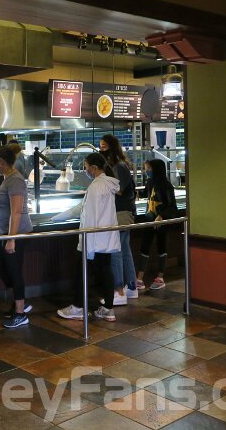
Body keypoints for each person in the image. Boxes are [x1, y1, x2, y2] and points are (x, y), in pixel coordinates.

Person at [53, 152, 120, 322]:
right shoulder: (107, 184)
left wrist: (87, 246)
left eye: (86, 167)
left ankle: (77, 308)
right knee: (106, 272)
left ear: (94, 168)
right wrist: (58, 217)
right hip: (105, 238)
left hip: (93, 240)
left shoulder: (96, 187)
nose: (85, 170)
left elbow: (90, 216)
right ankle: (108, 309)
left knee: (81, 273)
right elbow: (84, 208)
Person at [0, 145, 34, 328]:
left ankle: (20, 313)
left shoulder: (15, 180)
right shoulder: (7, 178)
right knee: (0, 264)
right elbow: (5, 205)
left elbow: (16, 212)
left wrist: (11, 239)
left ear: (3, 162)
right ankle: (20, 300)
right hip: (6, 232)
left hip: (17, 233)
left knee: (14, 271)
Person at [100, 134, 138, 304]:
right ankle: (131, 287)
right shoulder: (117, 166)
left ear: (112, 147)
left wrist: (101, 184)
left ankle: (119, 291)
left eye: (104, 146)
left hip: (121, 213)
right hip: (122, 212)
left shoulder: (119, 166)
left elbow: (119, 189)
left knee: (116, 251)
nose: (101, 149)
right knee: (124, 249)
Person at [136, 159, 177, 290]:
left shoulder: (166, 185)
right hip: (150, 218)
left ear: (156, 169)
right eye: (146, 168)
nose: (146, 171)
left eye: (149, 169)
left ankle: (160, 277)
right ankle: (139, 279)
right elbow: (145, 194)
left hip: (161, 221)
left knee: (161, 247)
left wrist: (161, 215)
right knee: (144, 247)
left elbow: (172, 206)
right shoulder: (150, 182)